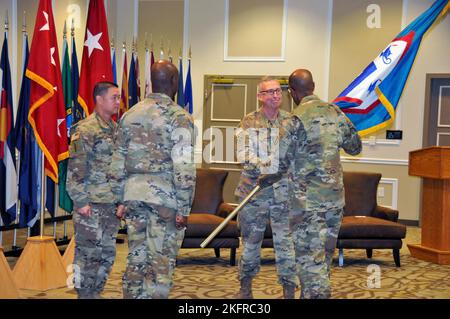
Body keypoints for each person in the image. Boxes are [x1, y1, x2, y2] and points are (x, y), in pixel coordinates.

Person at [110, 60, 196, 299]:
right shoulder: (179, 117)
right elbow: (184, 166)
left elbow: (117, 160)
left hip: (133, 196)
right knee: (160, 263)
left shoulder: (129, 114)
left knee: (136, 258)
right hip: (164, 200)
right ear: (174, 82)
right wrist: (184, 207)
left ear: (152, 82)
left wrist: (119, 198)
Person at [288, 69, 362, 298]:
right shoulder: (335, 113)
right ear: (313, 86)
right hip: (334, 201)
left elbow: (279, 161)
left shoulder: (295, 119)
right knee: (323, 258)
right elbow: (355, 147)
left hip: (307, 204)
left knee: (310, 260)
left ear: (292, 92)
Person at [234, 76, 305, 299]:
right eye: (270, 92)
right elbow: (243, 153)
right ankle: (245, 289)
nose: (276, 95)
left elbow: (299, 155)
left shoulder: (292, 121)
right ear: (260, 97)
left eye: (278, 90)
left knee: (286, 245)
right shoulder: (248, 121)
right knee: (250, 244)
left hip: (284, 195)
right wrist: (267, 166)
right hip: (254, 193)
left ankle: (288, 291)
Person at [66, 81, 121, 299]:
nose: (118, 102)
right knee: (87, 255)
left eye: (119, 97)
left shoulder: (116, 130)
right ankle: (84, 294)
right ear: (99, 99)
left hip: (110, 205)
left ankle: (95, 293)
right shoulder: (85, 129)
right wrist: (81, 202)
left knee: (107, 254)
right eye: (114, 97)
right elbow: (75, 170)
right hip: (91, 205)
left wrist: (121, 201)